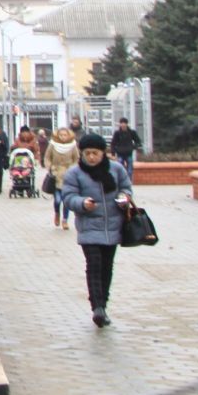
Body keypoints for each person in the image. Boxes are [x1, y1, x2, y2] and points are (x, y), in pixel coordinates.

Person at [58, 131, 133, 327]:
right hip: (89, 228)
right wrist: (83, 203)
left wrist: (124, 198)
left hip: (113, 227)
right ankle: (97, 307)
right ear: (82, 153)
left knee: (107, 268)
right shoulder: (75, 173)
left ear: (103, 153)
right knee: (94, 265)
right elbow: (68, 196)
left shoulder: (116, 170)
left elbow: (126, 188)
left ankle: (104, 305)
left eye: (95, 153)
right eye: (87, 153)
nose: (91, 157)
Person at [43, 125, 80, 228]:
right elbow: (47, 157)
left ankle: (65, 220)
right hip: (56, 175)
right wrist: (50, 167)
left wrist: (72, 169)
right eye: (61, 135)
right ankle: (57, 213)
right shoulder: (53, 145)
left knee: (66, 201)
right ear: (57, 135)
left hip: (68, 176)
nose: (63, 137)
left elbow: (76, 159)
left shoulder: (73, 146)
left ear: (68, 135)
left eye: (65, 135)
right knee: (57, 200)